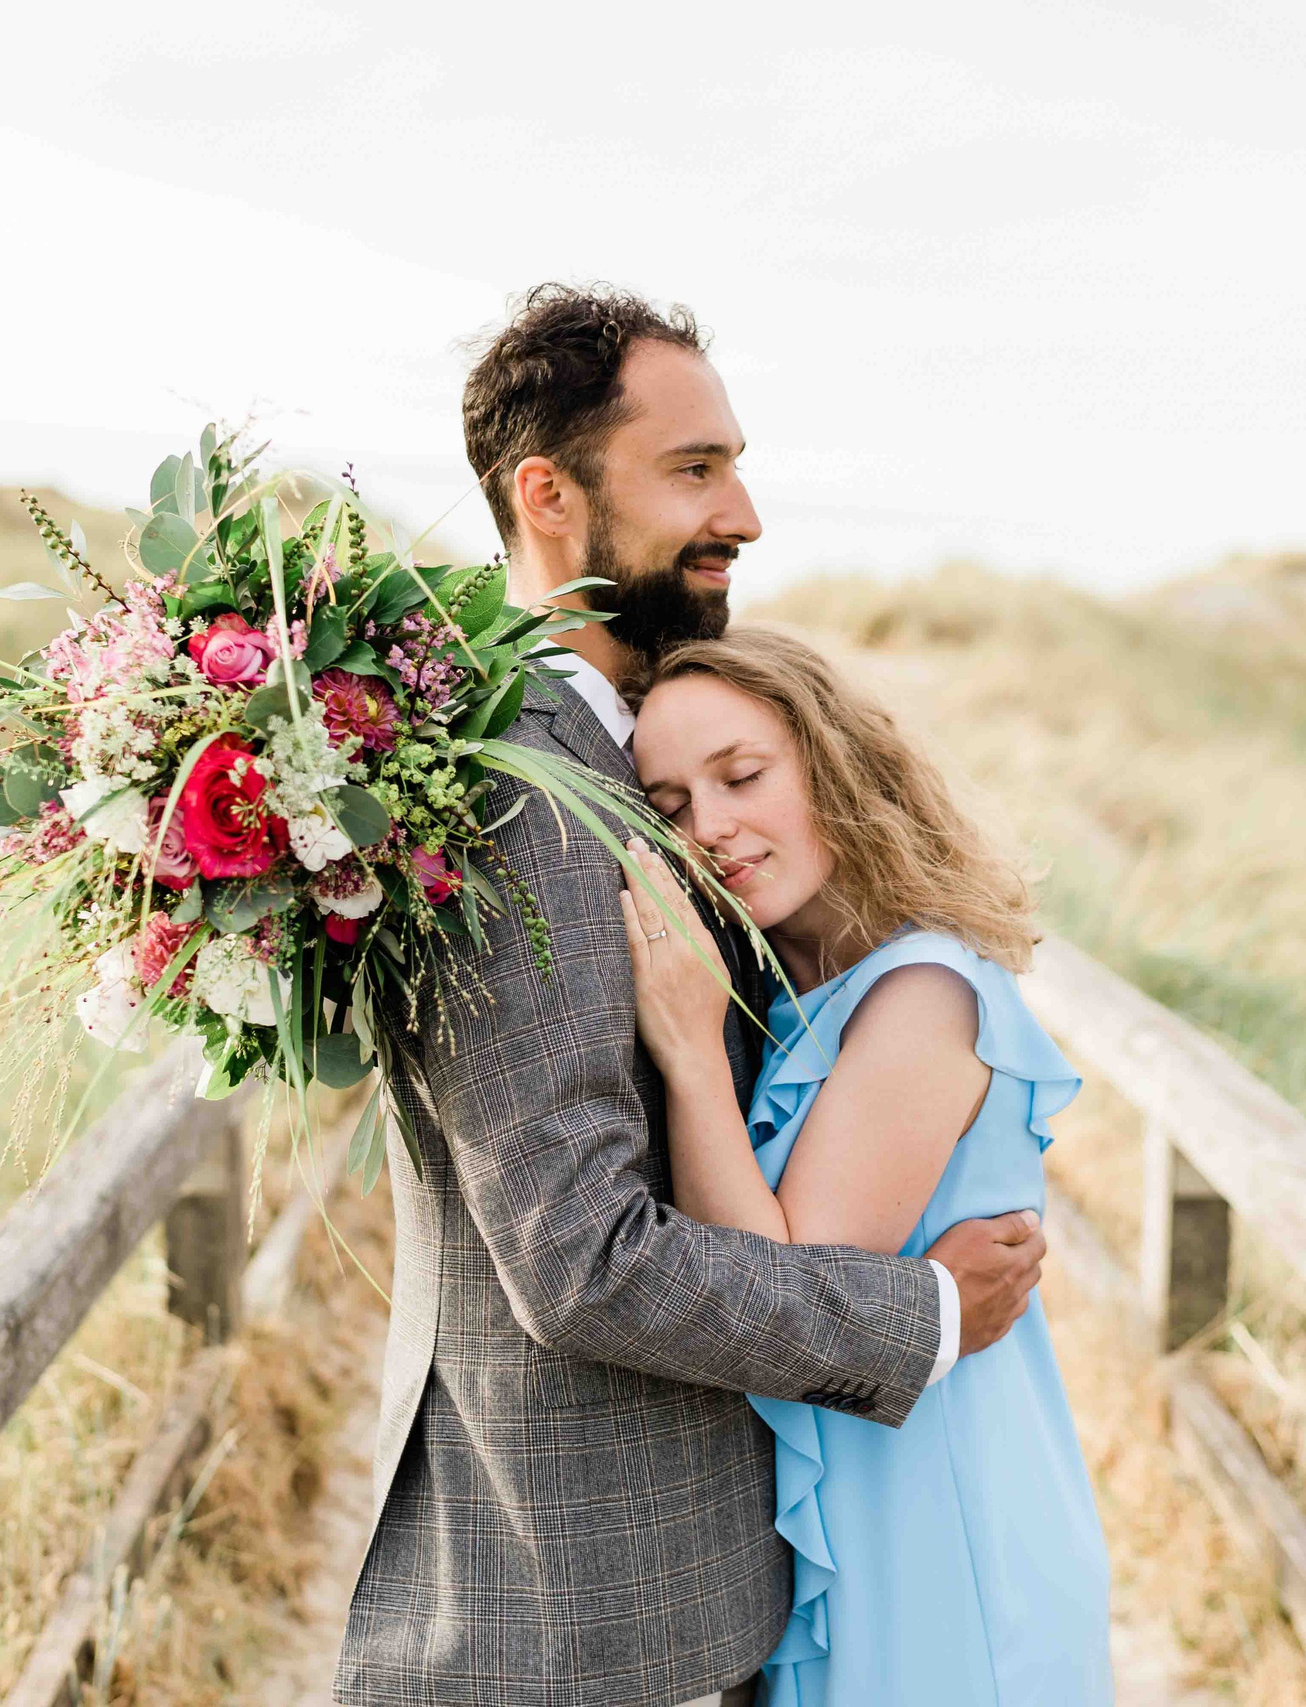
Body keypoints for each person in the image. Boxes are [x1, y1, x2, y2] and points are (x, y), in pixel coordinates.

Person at [333, 285, 1052, 1707]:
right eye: (693, 469)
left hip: (652, 1583)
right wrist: (919, 1312)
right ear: (549, 496)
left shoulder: (604, 751)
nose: (745, 515)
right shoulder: (522, 792)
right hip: (584, 1610)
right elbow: (580, 1259)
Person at [621, 628, 1113, 1706]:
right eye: (669, 805)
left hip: (946, 1533)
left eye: (742, 776)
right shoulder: (800, 1001)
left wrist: (689, 1052)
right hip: (871, 1521)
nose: (709, 827)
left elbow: (781, 1303)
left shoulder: (922, 993)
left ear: (836, 766)